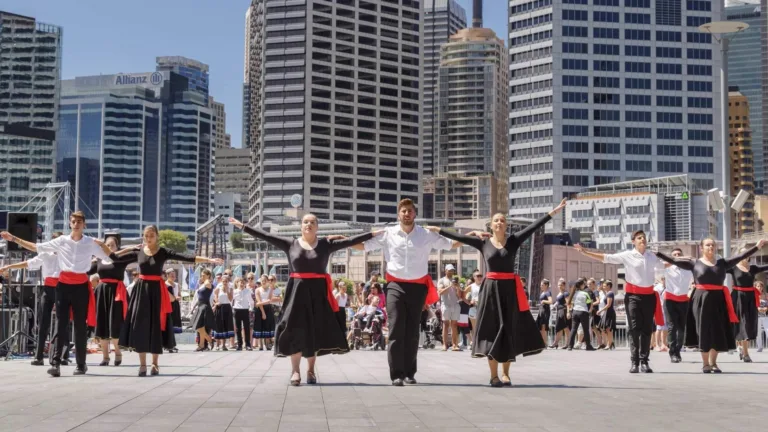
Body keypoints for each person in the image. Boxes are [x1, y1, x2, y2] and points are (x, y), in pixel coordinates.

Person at [433, 198, 566, 386]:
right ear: (491, 225)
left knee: (508, 329)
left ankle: (506, 374)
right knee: (491, 329)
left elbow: (535, 226)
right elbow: (460, 238)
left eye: (502, 220)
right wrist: (437, 229)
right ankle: (493, 375)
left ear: (506, 225)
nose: (499, 223)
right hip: (490, 291)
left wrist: (555, 211)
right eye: (496, 220)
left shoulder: (513, 241)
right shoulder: (483, 243)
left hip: (509, 291)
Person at [230, 215, 376, 386]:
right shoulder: (290, 243)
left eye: (313, 222)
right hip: (296, 292)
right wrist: (243, 227)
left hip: (317, 293)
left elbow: (351, 240)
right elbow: (266, 236)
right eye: (305, 222)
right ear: (301, 226)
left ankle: (311, 370)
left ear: (317, 227)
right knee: (294, 329)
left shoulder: (325, 244)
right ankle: (295, 371)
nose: (309, 224)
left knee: (313, 330)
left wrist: (373, 234)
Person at [354, 198, 461, 386]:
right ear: (398, 214)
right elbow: (363, 246)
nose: (407, 214)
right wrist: (343, 242)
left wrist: (473, 237)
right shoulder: (388, 233)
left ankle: (410, 372)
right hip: (395, 285)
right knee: (396, 328)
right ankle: (396, 374)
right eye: (403, 211)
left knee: (412, 331)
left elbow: (451, 244)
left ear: (415, 214)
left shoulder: (425, 234)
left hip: (417, 287)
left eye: (410, 211)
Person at [2, 212, 113, 377]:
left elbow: (109, 257)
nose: (76, 224)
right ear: (70, 224)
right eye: (74, 221)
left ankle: (81, 364)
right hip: (63, 285)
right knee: (61, 325)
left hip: (81, 286)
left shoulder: (90, 243)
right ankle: (55, 364)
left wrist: (102, 243)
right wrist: (14, 238)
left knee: (80, 326)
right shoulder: (62, 241)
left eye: (79, 222)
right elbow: (36, 247)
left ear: (84, 224)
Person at [117, 225, 222, 376]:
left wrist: (208, 259)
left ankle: (155, 364)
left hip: (156, 292)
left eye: (151, 235)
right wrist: (128, 248)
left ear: (157, 236)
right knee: (140, 326)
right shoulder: (138, 251)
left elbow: (185, 257)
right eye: (146, 236)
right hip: (141, 292)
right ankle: (142, 365)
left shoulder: (163, 252)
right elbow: (114, 257)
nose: (148, 238)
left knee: (156, 325)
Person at [656, 238, 767, 373]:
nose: (710, 247)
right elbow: (673, 260)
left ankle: (713, 362)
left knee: (717, 331)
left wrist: (757, 246)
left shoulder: (722, 263)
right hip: (701, 301)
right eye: (707, 245)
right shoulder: (694, 263)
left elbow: (741, 256)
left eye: (712, 245)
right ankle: (705, 364)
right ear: (701, 248)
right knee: (703, 331)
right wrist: (657, 253)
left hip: (719, 300)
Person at [575, 230, 666, 374]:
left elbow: (665, 265)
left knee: (647, 329)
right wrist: (585, 252)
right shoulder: (628, 255)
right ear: (633, 242)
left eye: (644, 237)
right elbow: (607, 258)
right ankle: (635, 362)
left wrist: (682, 261)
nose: (642, 239)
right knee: (634, 328)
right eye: (639, 238)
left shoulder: (652, 256)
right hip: (633, 296)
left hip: (649, 296)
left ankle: (644, 361)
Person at [0, 232, 64, 366]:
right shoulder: (45, 253)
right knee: (43, 323)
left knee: (61, 322)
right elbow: (29, 263)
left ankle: (62, 355)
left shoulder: (66, 254)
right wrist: (9, 267)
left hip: (62, 287)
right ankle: (39, 356)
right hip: (47, 288)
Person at [87, 234, 134, 366]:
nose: (109, 247)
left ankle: (118, 353)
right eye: (107, 245)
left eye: (112, 245)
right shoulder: (99, 259)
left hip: (116, 293)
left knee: (115, 323)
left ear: (117, 247)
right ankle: (105, 356)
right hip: (101, 292)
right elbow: (86, 271)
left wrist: (134, 248)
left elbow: (135, 255)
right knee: (102, 324)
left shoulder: (121, 259)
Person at [727, 249, 768, 363]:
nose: (746, 255)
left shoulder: (753, 268)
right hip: (738, 298)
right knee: (742, 323)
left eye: (748, 253)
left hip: (750, 298)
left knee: (749, 324)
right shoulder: (733, 267)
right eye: (744, 253)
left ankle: (741, 347)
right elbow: (719, 268)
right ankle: (746, 353)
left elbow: (765, 267)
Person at [663, 248, 694, 363]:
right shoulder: (667, 268)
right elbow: (657, 266)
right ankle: (672, 353)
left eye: (679, 254)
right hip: (670, 300)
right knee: (672, 327)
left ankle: (678, 350)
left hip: (683, 300)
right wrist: (671, 261)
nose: (677, 256)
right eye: (674, 255)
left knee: (682, 328)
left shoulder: (688, 269)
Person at [566, 278, 595, 351]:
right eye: (584, 284)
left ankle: (570, 346)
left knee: (573, 329)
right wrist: (589, 310)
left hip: (575, 312)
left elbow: (570, 303)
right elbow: (589, 303)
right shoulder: (585, 293)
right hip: (583, 312)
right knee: (586, 330)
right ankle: (588, 346)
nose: (584, 285)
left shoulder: (573, 293)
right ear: (582, 285)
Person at [189, 269, 215, 351]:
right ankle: (203, 344)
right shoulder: (203, 285)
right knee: (200, 327)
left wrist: (207, 279)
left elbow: (208, 284)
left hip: (204, 306)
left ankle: (206, 342)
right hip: (200, 306)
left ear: (208, 276)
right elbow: (198, 297)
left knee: (199, 327)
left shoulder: (208, 284)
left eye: (203, 275)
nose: (202, 277)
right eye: (201, 275)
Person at [438, 272, 461, 351]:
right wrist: (450, 286)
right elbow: (440, 292)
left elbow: (459, 296)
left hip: (455, 305)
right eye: (450, 270)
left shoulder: (456, 281)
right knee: (446, 324)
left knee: (454, 325)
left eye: (452, 270)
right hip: (446, 305)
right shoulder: (442, 280)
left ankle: (454, 344)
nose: (451, 271)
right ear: (446, 270)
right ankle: (444, 344)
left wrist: (458, 287)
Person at [213, 273, 234, 350]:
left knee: (225, 326)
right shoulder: (218, 288)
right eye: (223, 281)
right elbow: (215, 297)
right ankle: (217, 344)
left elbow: (230, 299)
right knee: (218, 325)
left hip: (227, 307)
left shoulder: (230, 288)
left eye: (226, 281)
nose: (224, 283)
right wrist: (217, 302)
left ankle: (224, 345)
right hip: (220, 307)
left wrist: (227, 290)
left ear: (228, 281)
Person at [253, 277, 275, 351]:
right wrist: (263, 312)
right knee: (260, 326)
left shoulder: (270, 289)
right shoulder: (257, 290)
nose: (263, 282)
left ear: (267, 281)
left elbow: (269, 300)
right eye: (262, 281)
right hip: (260, 309)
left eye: (265, 281)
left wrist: (260, 303)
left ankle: (267, 344)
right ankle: (261, 345)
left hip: (268, 309)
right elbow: (259, 301)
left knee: (267, 326)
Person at [231, 277, 254, 351]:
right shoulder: (234, 291)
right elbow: (231, 300)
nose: (242, 284)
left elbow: (251, 301)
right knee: (238, 328)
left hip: (245, 310)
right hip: (237, 310)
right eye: (240, 282)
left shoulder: (247, 291)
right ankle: (239, 345)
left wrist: (250, 309)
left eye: (243, 283)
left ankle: (248, 344)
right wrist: (232, 309)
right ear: (237, 283)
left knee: (246, 327)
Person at [551, 278, 570, 349]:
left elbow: (568, 303)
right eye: (559, 285)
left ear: (564, 286)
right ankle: (555, 343)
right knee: (559, 328)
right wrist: (553, 306)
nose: (559, 286)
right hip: (559, 311)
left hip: (563, 311)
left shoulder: (566, 293)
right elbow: (558, 302)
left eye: (561, 285)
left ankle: (567, 344)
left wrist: (568, 312)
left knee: (566, 328)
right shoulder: (559, 294)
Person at [597, 280, 616, 350]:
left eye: (605, 286)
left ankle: (609, 344)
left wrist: (600, 310)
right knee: (605, 328)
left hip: (609, 312)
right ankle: (610, 342)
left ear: (609, 286)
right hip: (607, 312)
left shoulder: (610, 293)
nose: (603, 287)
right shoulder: (608, 293)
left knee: (608, 329)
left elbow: (608, 304)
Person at [653, 277, 669, 353]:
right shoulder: (657, 287)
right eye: (664, 279)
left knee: (665, 327)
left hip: (666, 308)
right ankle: (657, 345)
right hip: (659, 308)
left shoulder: (669, 286)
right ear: (662, 279)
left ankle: (664, 344)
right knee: (659, 327)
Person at [467, 270, 483, 348]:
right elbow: (462, 294)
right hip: (473, 308)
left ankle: (480, 343)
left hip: (482, 308)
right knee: (474, 328)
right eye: (478, 276)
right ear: (474, 277)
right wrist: (469, 302)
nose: (480, 277)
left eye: (481, 276)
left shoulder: (484, 285)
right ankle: (475, 344)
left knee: (481, 327)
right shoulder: (471, 286)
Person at [166, 268, 183, 338]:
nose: (173, 277)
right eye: (172, 275)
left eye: (174, 275)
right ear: (167, 275)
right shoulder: (165, 284)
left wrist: (179, 297)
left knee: (175, 322)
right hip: (168, 305)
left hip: (176, 305)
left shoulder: (177, 285)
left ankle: (173, 340)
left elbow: (179, 295)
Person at [536, 279, 553, 346]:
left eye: (542, 285)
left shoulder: (548, 292)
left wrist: (543, 301)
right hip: (541, 310)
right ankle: (541, 342)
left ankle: (545, 343)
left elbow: (551, 301)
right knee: (540, 327)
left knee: (543, 327)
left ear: (546, 285)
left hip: (545, 311)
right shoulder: (543, 293)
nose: (541, 286)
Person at [756, 281, 767, 352]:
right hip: (757, 316)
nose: (759, 287)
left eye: (761, 286)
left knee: (767, 330)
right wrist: (757, 308)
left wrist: (766, 308)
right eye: (758, 286)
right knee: (758, 332)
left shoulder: (766, 295)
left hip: (765, 316)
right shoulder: (753, 295)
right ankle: (759, 347)